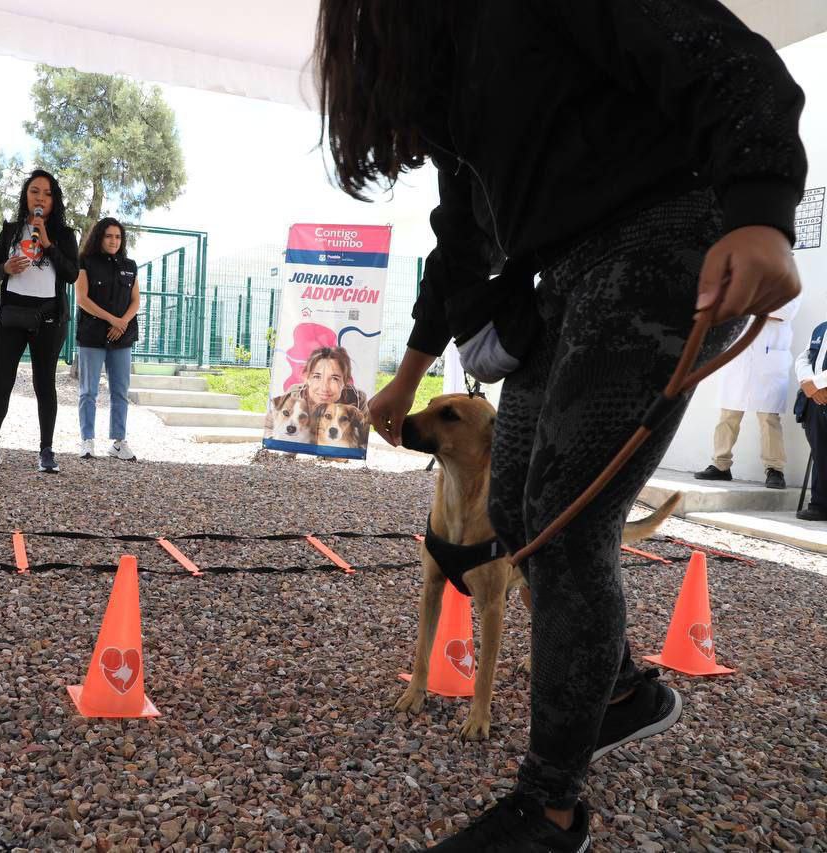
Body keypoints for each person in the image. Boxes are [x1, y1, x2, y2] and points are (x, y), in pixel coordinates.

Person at [317, 2, 805, 850]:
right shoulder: (449, 78)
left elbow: (724, 55)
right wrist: (407, 374)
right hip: (565, 273)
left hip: (670, 236)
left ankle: (550, 806)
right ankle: (615, 688)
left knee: (564, 522)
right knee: (515, 507)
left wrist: (760, 207)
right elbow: (461, 241)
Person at [0, 169, 79, 472]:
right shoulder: (12, 230)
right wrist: (6, 267)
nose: (40, 198)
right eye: (34, 191)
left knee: (45, 383)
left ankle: (46, 452)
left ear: (55, 200)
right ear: (26, 196)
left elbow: (71, 274)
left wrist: (49, 243)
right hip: (12, 315)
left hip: (49, 318)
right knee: (2, 380)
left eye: (47, 193)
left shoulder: (65, 235)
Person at [696, 295, 801, 488]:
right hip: (738, 360)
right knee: (728, 416)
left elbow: (785, 312)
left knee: (769, 419)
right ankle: (721, 466)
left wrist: (748, 305)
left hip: (768, 363)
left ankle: (775, 469)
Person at [74, 217, 140, 461]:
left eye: (118, 237)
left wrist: (121, 323)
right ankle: (87, 440)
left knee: (120, 391)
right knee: (88, 391)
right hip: (93, 336)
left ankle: (118, 442)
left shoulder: (130, 265)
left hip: (121, 337)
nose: (114, 241)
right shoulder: (86, 262)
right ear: (100, 237)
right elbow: (82, 299)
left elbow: (135, 300)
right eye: (109, 236)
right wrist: (113, 319)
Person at [793, 314, 827, 521]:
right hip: (815, 400)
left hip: (818, 389)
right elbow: (804, 358)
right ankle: (820, 505)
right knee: (820, 451)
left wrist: (818, 383)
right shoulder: (821, 328)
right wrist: (808, 382)